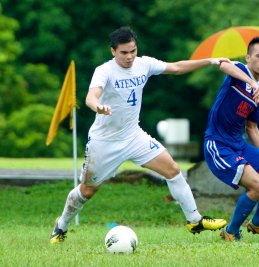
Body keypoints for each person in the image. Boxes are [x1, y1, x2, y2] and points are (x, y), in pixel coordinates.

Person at [50, 26, 231, 244]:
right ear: (113, 51)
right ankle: (61, 226)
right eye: (124, 52)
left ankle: (195, 221)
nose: (129, 57)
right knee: (87, 191)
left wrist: (211, 61)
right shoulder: (104, 71)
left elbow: (177, 67)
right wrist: (98, 107)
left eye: (133, 51)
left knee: (173, 170)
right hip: (104, 142)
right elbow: (91, 96)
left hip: (134, 136)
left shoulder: (144, 64)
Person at [204, 37, 259, 242]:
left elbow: (252, 128)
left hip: (238, 144)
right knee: (258, 185)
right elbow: (223, 64)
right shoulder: (240, 71)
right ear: (248, 57)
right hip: (218, 144)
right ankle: (231, 232)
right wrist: (251, 82)